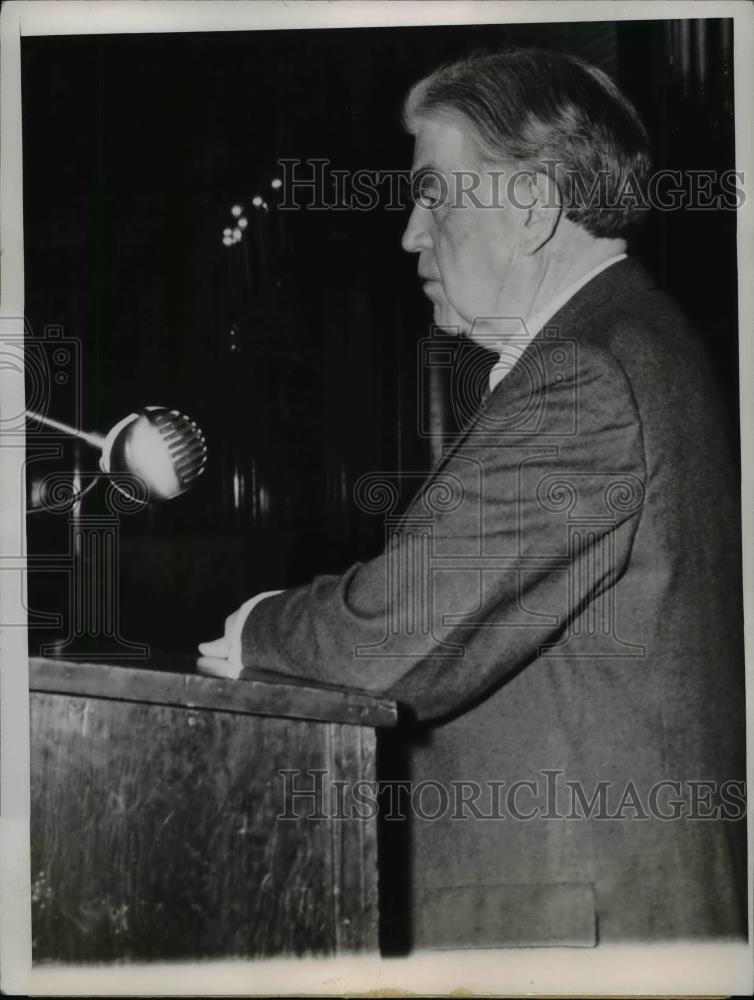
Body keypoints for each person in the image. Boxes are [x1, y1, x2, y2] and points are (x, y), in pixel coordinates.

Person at [200, 48, 746, 947]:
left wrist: (257, 627)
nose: (411, 232)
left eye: (435, 195)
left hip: (580, 931)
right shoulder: (629, 339)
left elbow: (389, 639)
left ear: (531, 206)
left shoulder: (588, 374)